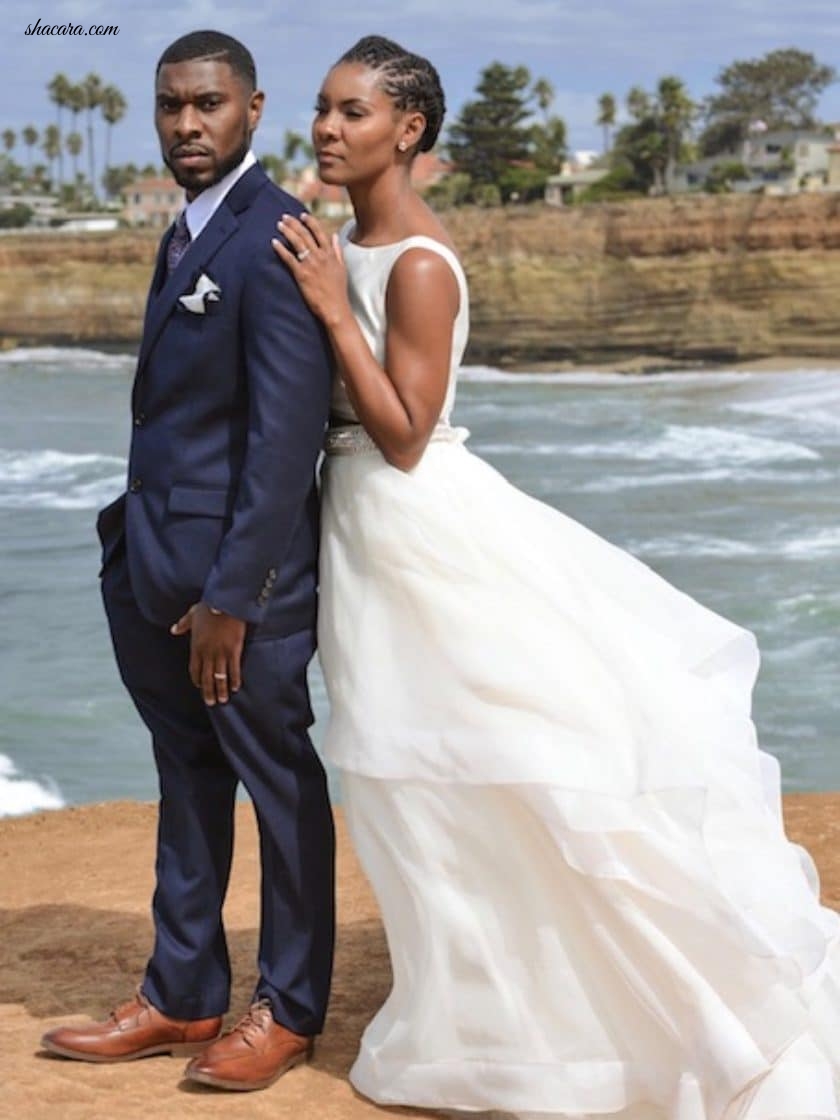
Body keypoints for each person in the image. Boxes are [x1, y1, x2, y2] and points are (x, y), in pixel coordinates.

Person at [271, 34, 840, 1118]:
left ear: (410, 131)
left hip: (422, 534)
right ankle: (474, 1010)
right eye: (324, 110)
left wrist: (335, 312)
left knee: (484, 767)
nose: (328, 129)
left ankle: (568, 1025)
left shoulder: (422, 266)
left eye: (353, 113)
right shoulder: (342, 241)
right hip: (368, 544)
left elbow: (400, 433)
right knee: (405, 782)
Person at [40, 30, 335, 1092]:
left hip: (238, 590)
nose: (187, 125)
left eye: (208, 104)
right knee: (187, 773)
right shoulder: (188, 232)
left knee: (282, 784)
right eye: (170, 106)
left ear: (254, 110)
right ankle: (183, 988)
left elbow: (284, 439)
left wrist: (232, 596)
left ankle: (292, 1006)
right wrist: (135, 553)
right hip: (156, 570)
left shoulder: (273, 236)